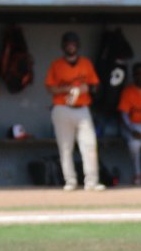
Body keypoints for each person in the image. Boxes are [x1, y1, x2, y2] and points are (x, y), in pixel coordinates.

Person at [45, 31, 106, 191]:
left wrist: (88, 88)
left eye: (73, 44)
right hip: (62, 108)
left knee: (89, 144)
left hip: (82, 108)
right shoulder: (56, 65)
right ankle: (70, 181)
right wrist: (68, 89)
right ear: (63, 46)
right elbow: (50, 88)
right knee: (65, 147)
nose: (70, 46)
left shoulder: (86, 63)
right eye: (68, 44)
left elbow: (96, 85)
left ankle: (91, 181)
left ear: (77, 45)